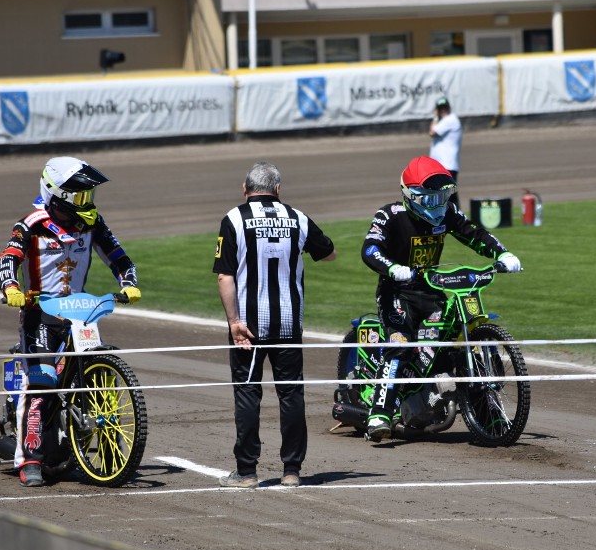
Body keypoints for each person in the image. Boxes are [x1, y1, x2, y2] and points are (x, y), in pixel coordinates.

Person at [0, 156, 141, 487]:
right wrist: (12, 288)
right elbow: (5, 261)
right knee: (43, 384)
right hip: (41, 314)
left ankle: (110, 451)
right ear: (57, 194)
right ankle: (30, 459)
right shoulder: (32, 223)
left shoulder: (93, 223)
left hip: (82, 312)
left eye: (87, 195)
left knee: (100, 380)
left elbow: (119, 257)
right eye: (79, 196)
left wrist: (128, 283)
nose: (86, 202)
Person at [361, 155, 521, 441]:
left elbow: (474, 234)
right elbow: (370, 249)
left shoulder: (447, 212)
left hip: (430, 289)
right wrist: (394, 269)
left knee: (457, 345)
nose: (437, 205)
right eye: (430, 199)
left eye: (442, 197)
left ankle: (486, 413)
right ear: (411, 196)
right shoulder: (389, 215)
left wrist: (502, 254)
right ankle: (379, 413)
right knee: (399, 344)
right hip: (397, 292)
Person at [214, 161, 336, 488]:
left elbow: (225, 276)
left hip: (248, 326)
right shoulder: (297, 218)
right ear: (278, 190)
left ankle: (247, 471)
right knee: (292, 394)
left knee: (248, 394)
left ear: (245, 189)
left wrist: (235, 321)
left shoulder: (234, 219)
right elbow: (327, 253)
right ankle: (292, 471)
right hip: (288, 324)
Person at [429, 96, 463, 209]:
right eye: (440, 108)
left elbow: (432, 132)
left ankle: (458, 222)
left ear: (448, 108)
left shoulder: (450, 120)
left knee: (449, 197)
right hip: (442, 166)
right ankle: (456, 221)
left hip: (447, 166)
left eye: (445, 108)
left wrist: (435, 116)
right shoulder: (445, 121)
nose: (443, 110)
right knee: (447, 196)